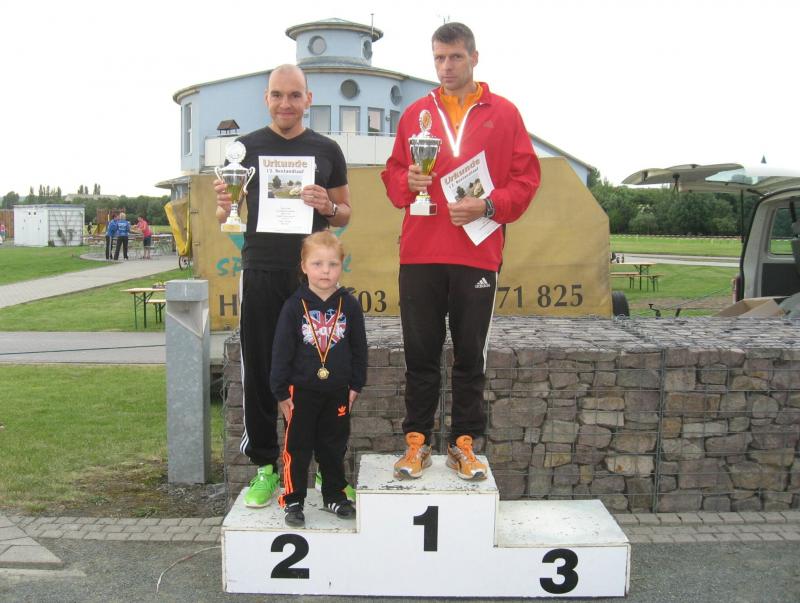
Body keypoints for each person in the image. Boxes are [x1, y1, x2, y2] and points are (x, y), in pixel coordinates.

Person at [381, 22, 541, 481]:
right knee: (420, 356)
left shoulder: (504, 113)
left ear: (474, 57)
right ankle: (417, 444)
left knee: (470, 357)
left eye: (455, 57)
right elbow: (393, 177)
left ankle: (463, 445)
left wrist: (487, 205)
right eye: (439, 58)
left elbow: (526, 181)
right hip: (420, 254)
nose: (446, 66)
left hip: (477, 254)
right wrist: (407, 181)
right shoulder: (416, 114)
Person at [214, 64, 351, 509]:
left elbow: (345, 212)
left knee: (318, 370)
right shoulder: (244, 149)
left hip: (312, 279)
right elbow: (226, 215)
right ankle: (265, 467)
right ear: (266, 99)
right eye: (277, 95)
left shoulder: (326, 149)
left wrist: (326, 204)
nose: (285, 103)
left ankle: (326, 469)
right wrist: (224, 204)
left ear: (308, 98)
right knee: (259, 370)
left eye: (294, 95)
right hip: (261, 270)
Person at [271, 231, 366, 527]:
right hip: (300, 392)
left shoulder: (349, 305)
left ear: (342, 265)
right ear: (304, 266)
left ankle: (334, 495)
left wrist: (356, 384)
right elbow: (281, 350)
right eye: (317, 264)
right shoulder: (293, 306)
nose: (325, 271)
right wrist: (280, 392)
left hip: (337, 390)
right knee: (297, 448)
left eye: (332, 264)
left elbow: (359, 347)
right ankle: (293, 499)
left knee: (334, 447)